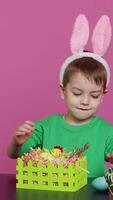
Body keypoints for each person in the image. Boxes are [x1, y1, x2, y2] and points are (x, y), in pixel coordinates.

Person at [7, 14, 113, 177]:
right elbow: (14, 154)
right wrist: (16, 142)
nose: (85, 101)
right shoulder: (45, 128)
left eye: (94, 95)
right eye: (77, 93)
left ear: (103, 95)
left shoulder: (106, 131)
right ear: (63, 91)